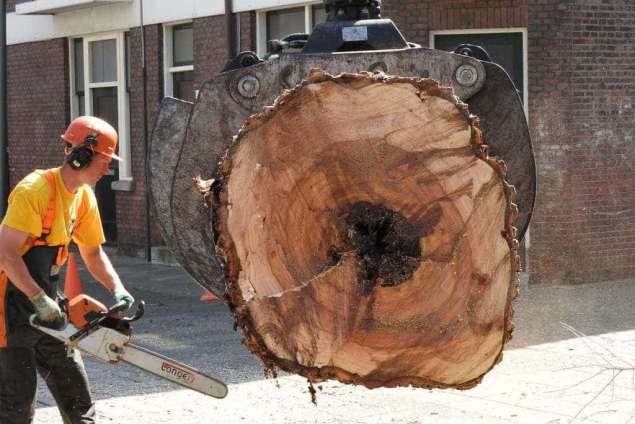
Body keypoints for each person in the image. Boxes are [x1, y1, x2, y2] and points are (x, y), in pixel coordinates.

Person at [0, 116, 135, 423]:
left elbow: (93, 253)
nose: (107, 168)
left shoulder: (84, 197)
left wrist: (118, 289)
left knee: (78, 402)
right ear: (81, 155)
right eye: (103, 160)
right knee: (16, 409)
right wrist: (37, 298)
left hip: (48, 303)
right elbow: (6, 254)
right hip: (9, 308)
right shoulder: (35, 190)